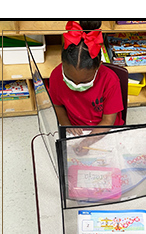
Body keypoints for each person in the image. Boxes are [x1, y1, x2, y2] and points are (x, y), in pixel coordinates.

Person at [49, 21, 124, 155]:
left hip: (105, 130)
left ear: (99, 66)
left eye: (84, 81)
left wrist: (86, 142)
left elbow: (108, 121)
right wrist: (67, 126)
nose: (76, 86)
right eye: (70, 79)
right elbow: (57, 106)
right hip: (75, 130)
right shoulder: (55, 75)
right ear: (62, 63)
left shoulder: (110, 81)